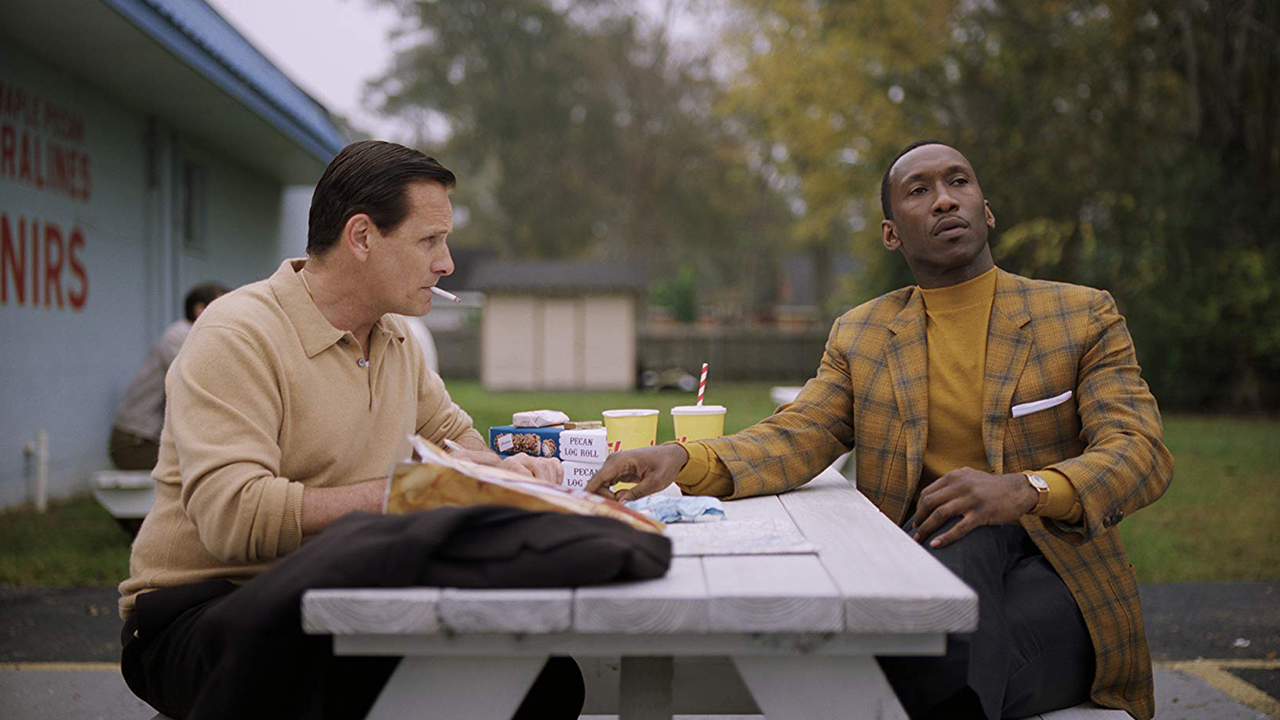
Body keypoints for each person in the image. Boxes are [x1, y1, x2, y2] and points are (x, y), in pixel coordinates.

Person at [586, 140, 1173, 720]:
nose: (945, 200)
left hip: (1057, 573)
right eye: (920, 190)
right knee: (944, 575)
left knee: (913, 625)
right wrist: (680, 458)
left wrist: (1025, 488)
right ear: (892, 234)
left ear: (987, 210)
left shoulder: (1080, 315)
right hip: (922, 568)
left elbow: (1139, 450)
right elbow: (797, 435)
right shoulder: (863, 334)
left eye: (959, 182)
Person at [117, 141, 622, 720]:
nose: (446, 263)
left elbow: (454, 437)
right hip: (201, 611)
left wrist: (506, 472)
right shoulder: (237, 335)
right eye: (429, 240)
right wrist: (414, 493)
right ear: (361, 236)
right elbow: (237, 519)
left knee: (546, 682)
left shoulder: (394, 338)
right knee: (398, 683)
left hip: (335, 597)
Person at [108, 282, 229, 470]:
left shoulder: (197, 335)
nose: (230, 314)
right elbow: (206, 382)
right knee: (211, 466)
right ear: (200, 310)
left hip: (149, 442)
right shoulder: (180, 336)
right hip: (134, 444)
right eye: (223, 306)